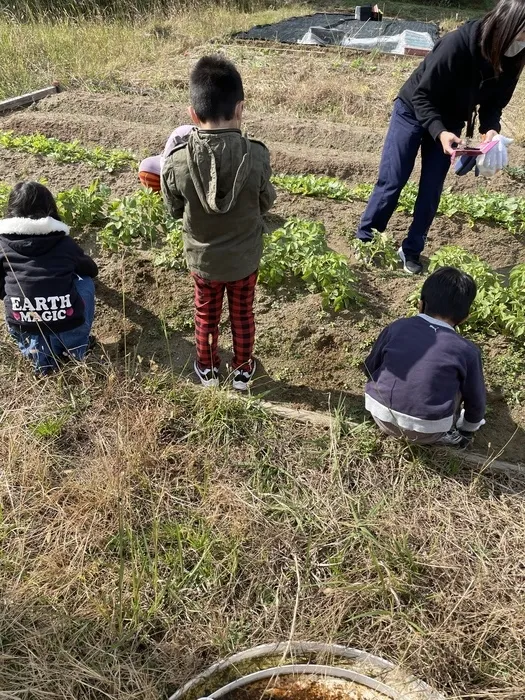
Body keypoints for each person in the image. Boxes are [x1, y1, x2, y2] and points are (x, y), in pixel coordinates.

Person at [356, 0, 525, 274]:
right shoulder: (457, 44)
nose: (523, 42)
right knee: (393, 180)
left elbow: (494, 104)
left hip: (452, 120)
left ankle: (411, 249)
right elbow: (422, 95)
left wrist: (490, 130)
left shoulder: (514, 58)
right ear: (507, 25)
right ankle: (366, 238)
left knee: (431, 188)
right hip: (413, 109)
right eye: (523, 33)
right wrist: (439, 132)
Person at [161, 55, 276, 390]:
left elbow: (173, 209)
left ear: (193, 114)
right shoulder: (256, 155)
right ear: (240, 109)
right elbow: (265, 202)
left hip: (203, 261)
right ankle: (242, 370)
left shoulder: (178, 159)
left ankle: (207, 369)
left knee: (205, 315)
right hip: (243, 259)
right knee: (242, 314)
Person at [364, 267, 486, 447]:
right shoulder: (467, 350)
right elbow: (476, 401)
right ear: (465, 318)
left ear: (420, 304)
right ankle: (450, 436)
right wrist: (467, 429)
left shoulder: (397, 327)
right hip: (428, 431)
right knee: (461, 383)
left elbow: (370, 366)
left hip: (380, 416)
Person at [0, 182, 98, 375]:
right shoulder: (63, 242)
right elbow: (91, 270)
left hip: (24, 325)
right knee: (85, 281)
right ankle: (77, 348)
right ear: (50, 209)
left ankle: (38, 357)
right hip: (68, 323)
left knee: (11, 292)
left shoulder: (2, 244)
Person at [138, 124, 193, 192]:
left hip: (179, 178)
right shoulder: (187, 131)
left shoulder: (183, 131)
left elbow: (165, 163)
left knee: (147, 166)